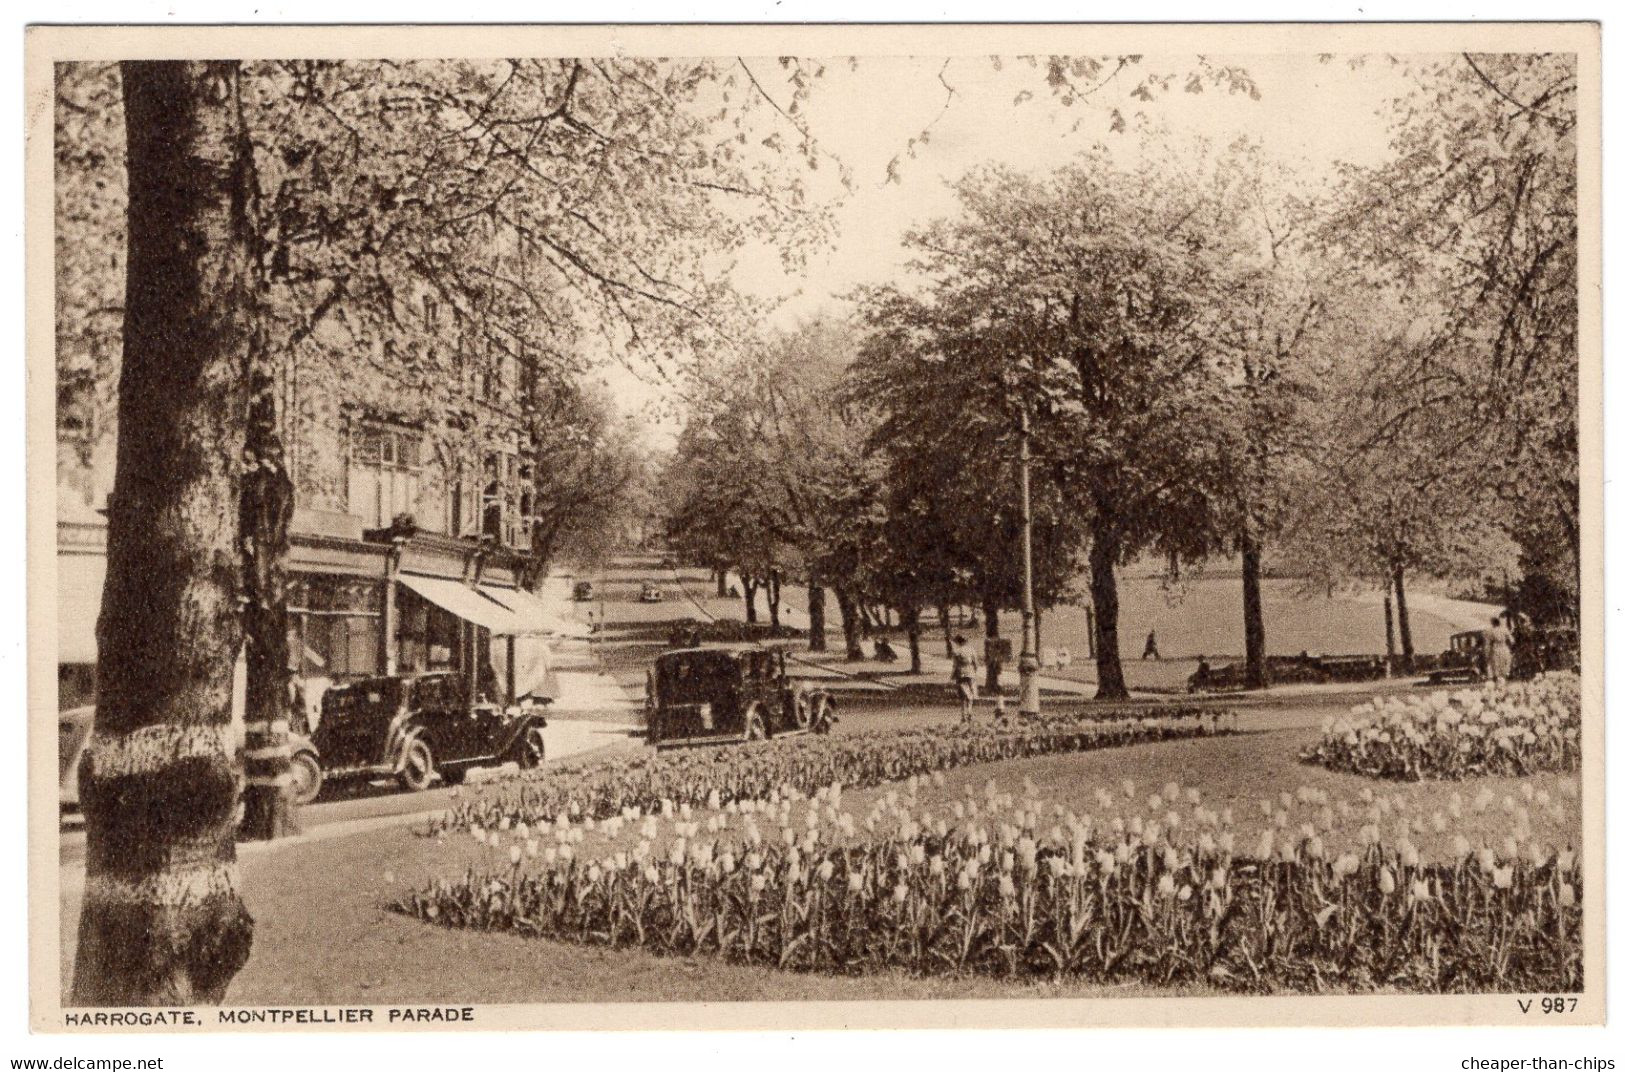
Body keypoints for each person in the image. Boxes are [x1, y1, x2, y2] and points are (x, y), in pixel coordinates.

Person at [950, 634, 979, 723]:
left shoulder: (956, 652)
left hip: (960, 674)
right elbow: (976, 663)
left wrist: (952, 676)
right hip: (970, 674)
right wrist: (974, 671)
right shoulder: (971, 650)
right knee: (970, 694)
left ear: (958, 642)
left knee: (962, 696)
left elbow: (955, 665)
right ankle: (969, 711)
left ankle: (963, 715)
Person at [1486, 615, 1515, 683]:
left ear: (1493, 623)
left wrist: (1488, 652)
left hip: (1496, 649)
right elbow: (1512, 640)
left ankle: (1498, 681)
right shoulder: (1504, 629)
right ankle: (1504, 679)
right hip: (1504, 648)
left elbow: (1489, 642)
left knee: (1496, 665)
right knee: (1505, 663)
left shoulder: (1491, 631)